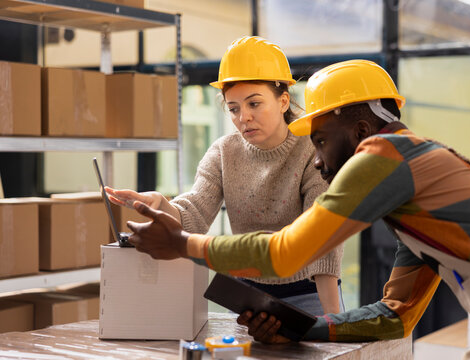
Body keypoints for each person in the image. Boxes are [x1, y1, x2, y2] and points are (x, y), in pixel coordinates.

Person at [125, 59, 470, 360]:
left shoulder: (384, 154)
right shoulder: (420, 206)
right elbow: (396, 317)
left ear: (359, 131)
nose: (318, 161)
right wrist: (305, 329)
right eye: (233, 108)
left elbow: (286, 252)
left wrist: (181, 243)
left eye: (320, 141)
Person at [106, 36, 344, 316]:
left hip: (308, 294)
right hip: (246, 297)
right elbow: (194, 215)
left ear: (283, 101)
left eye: (254, 104)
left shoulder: (313, 151)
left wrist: (332, 324)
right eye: (233, 108)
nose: (243, 117)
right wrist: (161, 203)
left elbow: (322, 240)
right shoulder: (223, 152)